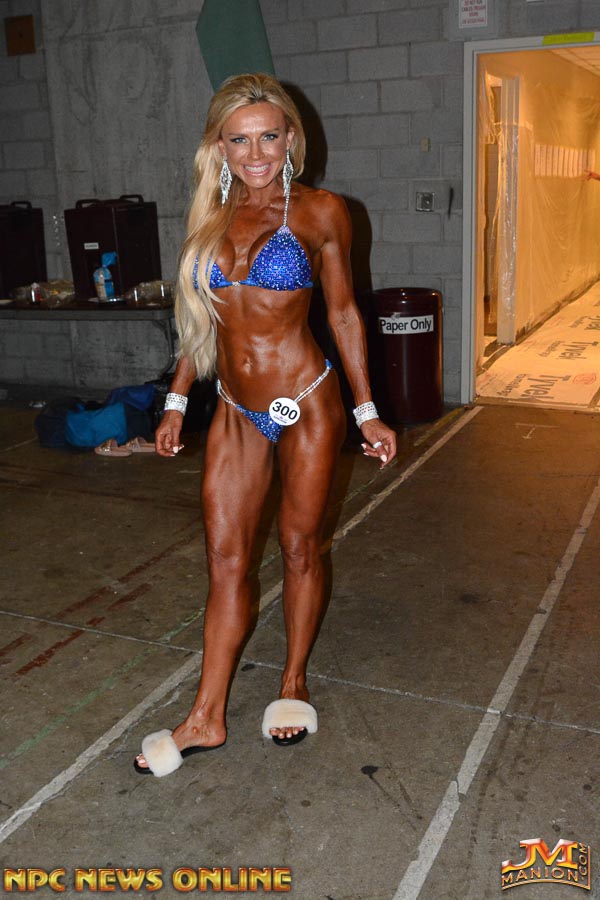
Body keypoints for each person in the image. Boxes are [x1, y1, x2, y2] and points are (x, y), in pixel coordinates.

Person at [134, 73, 397, 776]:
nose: (256, 154)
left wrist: (367, 410)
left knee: (299, 546)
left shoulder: (322, 212)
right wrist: (176, 399)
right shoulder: (209, 218)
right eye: (239, 140)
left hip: (307, 401)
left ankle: (293, 681)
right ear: (218, 147)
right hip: (235, 409)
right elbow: (199, 321)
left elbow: (343, 313)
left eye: (269, 137)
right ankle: (207, 715)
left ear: (290, 140)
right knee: (225, 561)